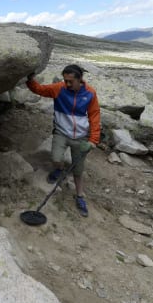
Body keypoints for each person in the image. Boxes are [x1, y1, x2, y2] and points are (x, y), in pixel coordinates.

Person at [26, 64, 101, 217]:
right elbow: (40, 90)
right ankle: (59, 169)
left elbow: (94, 116)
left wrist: (93, 140)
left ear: (80, 80)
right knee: (55, 158)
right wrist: (30, 80)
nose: (66, 84)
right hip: (61, 133)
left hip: (81, 137)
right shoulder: (59, 88)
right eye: (65, 80)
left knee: (78, 170)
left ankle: (80, 196)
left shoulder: (90, 93)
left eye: (70, 81)